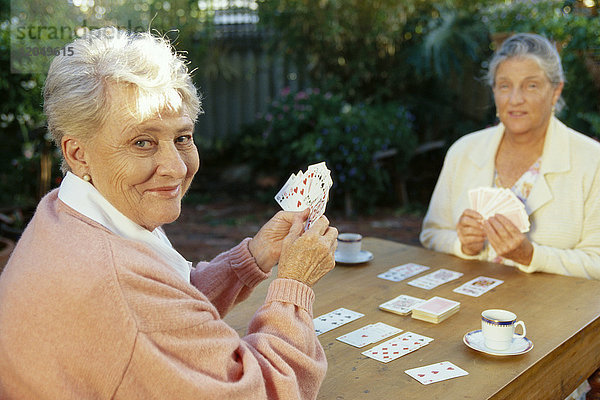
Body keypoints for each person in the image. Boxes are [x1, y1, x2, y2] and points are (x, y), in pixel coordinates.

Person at [0, 27, 338, 399]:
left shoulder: (68, 211)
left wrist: (252, 258)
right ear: (78, 153)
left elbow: (167, 305)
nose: (176, 168)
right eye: (142, 142)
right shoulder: (117, 288)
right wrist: (294, 286)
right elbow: (267, 392)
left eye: (182, 138)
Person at [420, 32, 600, 280]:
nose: (515, 99)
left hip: (554, 314)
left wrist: (531, 255)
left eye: (531, 85)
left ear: (556, 91)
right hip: (469, 306)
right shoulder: (463, 151)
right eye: (504, 86)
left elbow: (597, 261)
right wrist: (461, 244)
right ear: (494, 90)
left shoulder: (593, 161)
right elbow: (432, 234)